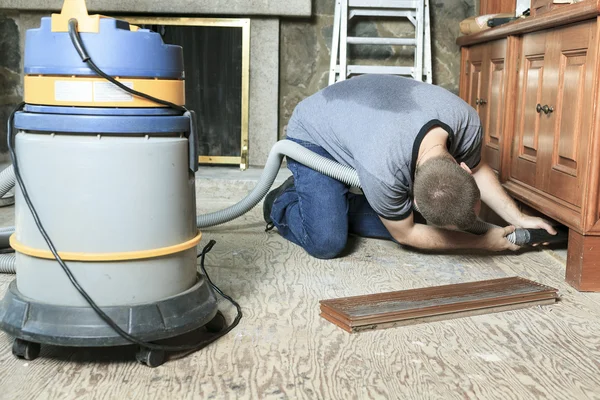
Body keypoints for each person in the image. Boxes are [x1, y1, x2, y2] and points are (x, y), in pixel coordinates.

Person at [263, 74, 556, 259]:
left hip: (365, 127)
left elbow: (480, 169)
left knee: (430, 224)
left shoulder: (466, 122)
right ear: (413, 197)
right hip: (316, 133)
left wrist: (518, 217)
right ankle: (286, 199)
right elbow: (406, 235)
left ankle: (330, 202)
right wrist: (480, 244)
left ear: (463, 168)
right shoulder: (383, 171)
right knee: (327, 242)